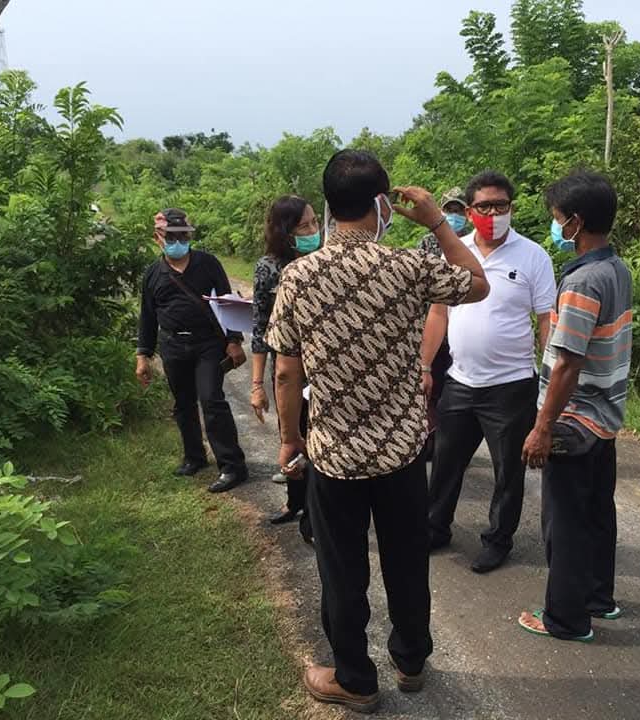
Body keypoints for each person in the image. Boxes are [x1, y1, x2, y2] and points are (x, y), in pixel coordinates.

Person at [265, 150, 489, 713]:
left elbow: (287, 370)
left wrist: (290, 438)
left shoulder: (298, 276)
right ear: (382, 205)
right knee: (407, 560)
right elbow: (478, 284)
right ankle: (411, 661)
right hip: (402, 451)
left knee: (342, 570)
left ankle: (355, 679)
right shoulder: (407, 266)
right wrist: (437, 220)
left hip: (335, 455)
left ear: (328, 206)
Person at [421, 170, 557, 574]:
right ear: (469, 210)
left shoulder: (533, 256)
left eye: (500, 206)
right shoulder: (456, 253)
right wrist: (425, 364)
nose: (492, 213)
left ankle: (498, 539)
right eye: (484, 206)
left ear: (511, 208)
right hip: (460, 380)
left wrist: (547, 380)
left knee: (507, 471)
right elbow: (438, 312)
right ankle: (434, 527)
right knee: (445, 462)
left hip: (511, 386)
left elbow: (546, 320)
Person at [517, 171, 632, 642]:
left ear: (576, 223)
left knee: (562, 521)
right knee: (597, 513)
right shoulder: (617, 269)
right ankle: (597, 598)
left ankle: (565, 618)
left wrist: (543, 427)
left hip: (575, 418)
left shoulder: (583, 281)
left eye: (557, 220)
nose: (555, 227)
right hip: (605, 416)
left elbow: (567, 362)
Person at [136, 208, 249, 493]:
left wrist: (233, 340)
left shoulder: (208, 264)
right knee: (183, 404)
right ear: (157, 238)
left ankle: (232, 466)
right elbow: (147, 316)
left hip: (208, 344)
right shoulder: (153, 274)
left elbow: (228, 302)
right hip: (172, 345)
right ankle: (194, 457)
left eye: (183, 235)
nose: (178, 241)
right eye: (171, 237)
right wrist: (143, 356)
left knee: (212, 400)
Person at [250, 195, 320, 542]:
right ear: (284, 232)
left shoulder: (326, 262)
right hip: (290, 371)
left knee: (317, 442)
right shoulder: (269, 269)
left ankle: (315, 514)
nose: (312, 231)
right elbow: (260, 328)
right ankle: (295, 503)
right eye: (303, 226)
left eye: (314, 222)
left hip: (325, 368)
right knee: (290, 434)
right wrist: (256, 385)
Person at [418, 188, 468, 460]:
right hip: (434, 325)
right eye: (449, 210)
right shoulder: (428, 243)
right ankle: (429, 439)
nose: (454, 216)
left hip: (461, 328)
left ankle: (451, 442)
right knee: (430, 387)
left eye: (459, 211)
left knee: (454, 388)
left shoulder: (472, 244)